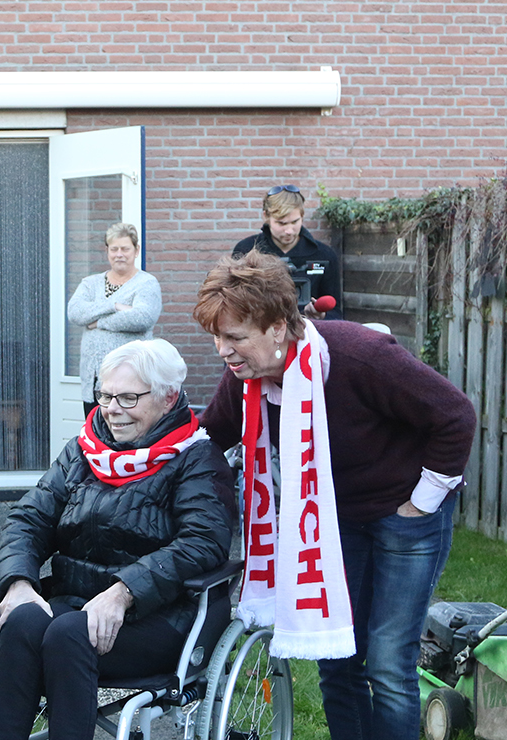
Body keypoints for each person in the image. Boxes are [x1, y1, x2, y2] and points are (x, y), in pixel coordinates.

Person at [195, 251, 474, 740]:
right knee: (338, 657)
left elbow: (455, 415)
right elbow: (207, 437)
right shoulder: (246, 379)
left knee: (388, 662)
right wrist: (142, 449)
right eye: (217, 337)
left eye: (235, 336)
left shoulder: (360, 356)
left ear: (278, 327)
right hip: (335, 521)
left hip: (405, 516)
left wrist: (421, 502)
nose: (224, 350)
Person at [0, 339, 235, 740]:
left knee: (69, 634)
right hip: (76, 600)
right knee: (24, 621)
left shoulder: (197, 458)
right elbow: (29, 518)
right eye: (105, 395)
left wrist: (124, 592)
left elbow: (203, 543)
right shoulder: (83, 451)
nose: (112, 409)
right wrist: (16, 582)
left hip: (160, 616)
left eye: (128, 397)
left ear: (169, 397)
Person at [66, 222, 162, 418]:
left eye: (125, 249)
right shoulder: (90, 284)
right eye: (114, 249)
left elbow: (142, 317)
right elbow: (75, 313)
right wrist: (114, 306)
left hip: (132, 384)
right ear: (107, 251)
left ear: (136, 251)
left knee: (126, 438)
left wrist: (98, 323)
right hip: (94, 383)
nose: (119, 254)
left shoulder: (146, 283)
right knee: (95, 440)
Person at [233, 184, 344, 320]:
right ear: (266, 217)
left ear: (302, 216)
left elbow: (336, 313)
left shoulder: (325, 255)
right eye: (281, 223)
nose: (289, 230)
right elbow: (234, 305)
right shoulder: (246, 250)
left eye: (294, 222)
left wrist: (321, 315)